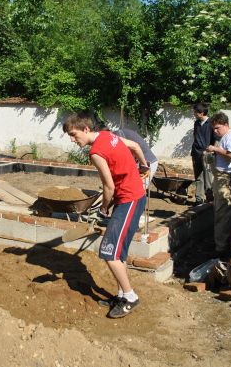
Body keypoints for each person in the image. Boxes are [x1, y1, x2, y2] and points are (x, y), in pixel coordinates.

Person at [62, 113, 147, 319]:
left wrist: (103, 209)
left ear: (85, 130)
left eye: (74, 135)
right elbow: (135, 147)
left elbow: (108, 187)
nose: (73, 140)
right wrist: (143, 166)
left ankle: (130, 297)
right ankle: (121, 294)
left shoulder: (95, 152)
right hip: (133, 198)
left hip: (128, 200)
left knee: (109, 251)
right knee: (119, 252)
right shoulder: (110, 136)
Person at [205, 112, 231, 258]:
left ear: (226, 125)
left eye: (217, 128)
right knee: (221, 211)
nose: (215, 131)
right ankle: (220, 244)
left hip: (227, 178)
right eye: (214, 129)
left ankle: (221, 249)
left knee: (223, 213)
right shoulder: (225, 137)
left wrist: (215, 149)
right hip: (221, 177)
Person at [191, 103, 216, 205]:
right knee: (198, 177)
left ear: (201, 113)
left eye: (195, 112)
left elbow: (215, 139)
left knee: (208, 177)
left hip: (208, 154)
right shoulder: (196, 123)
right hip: (196, 153)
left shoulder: (211, 123)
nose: (194, 114)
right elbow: (195, 137)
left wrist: (210, 150)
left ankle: (209, 199)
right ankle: (198, 199)